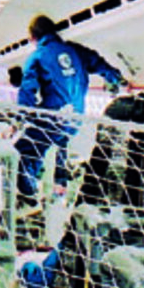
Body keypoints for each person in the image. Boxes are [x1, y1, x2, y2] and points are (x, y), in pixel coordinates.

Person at [15, 15, 91, 202]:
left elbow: (27, 92)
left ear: (33, 37)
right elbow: (97, 62)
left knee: (23, 149)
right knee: (60, 144)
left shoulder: (38, 56)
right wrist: (117, 79)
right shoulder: (74, 50)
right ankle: (59, 189)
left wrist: (25, 117)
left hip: (53, 117)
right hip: (76, 117)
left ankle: (28, 193)